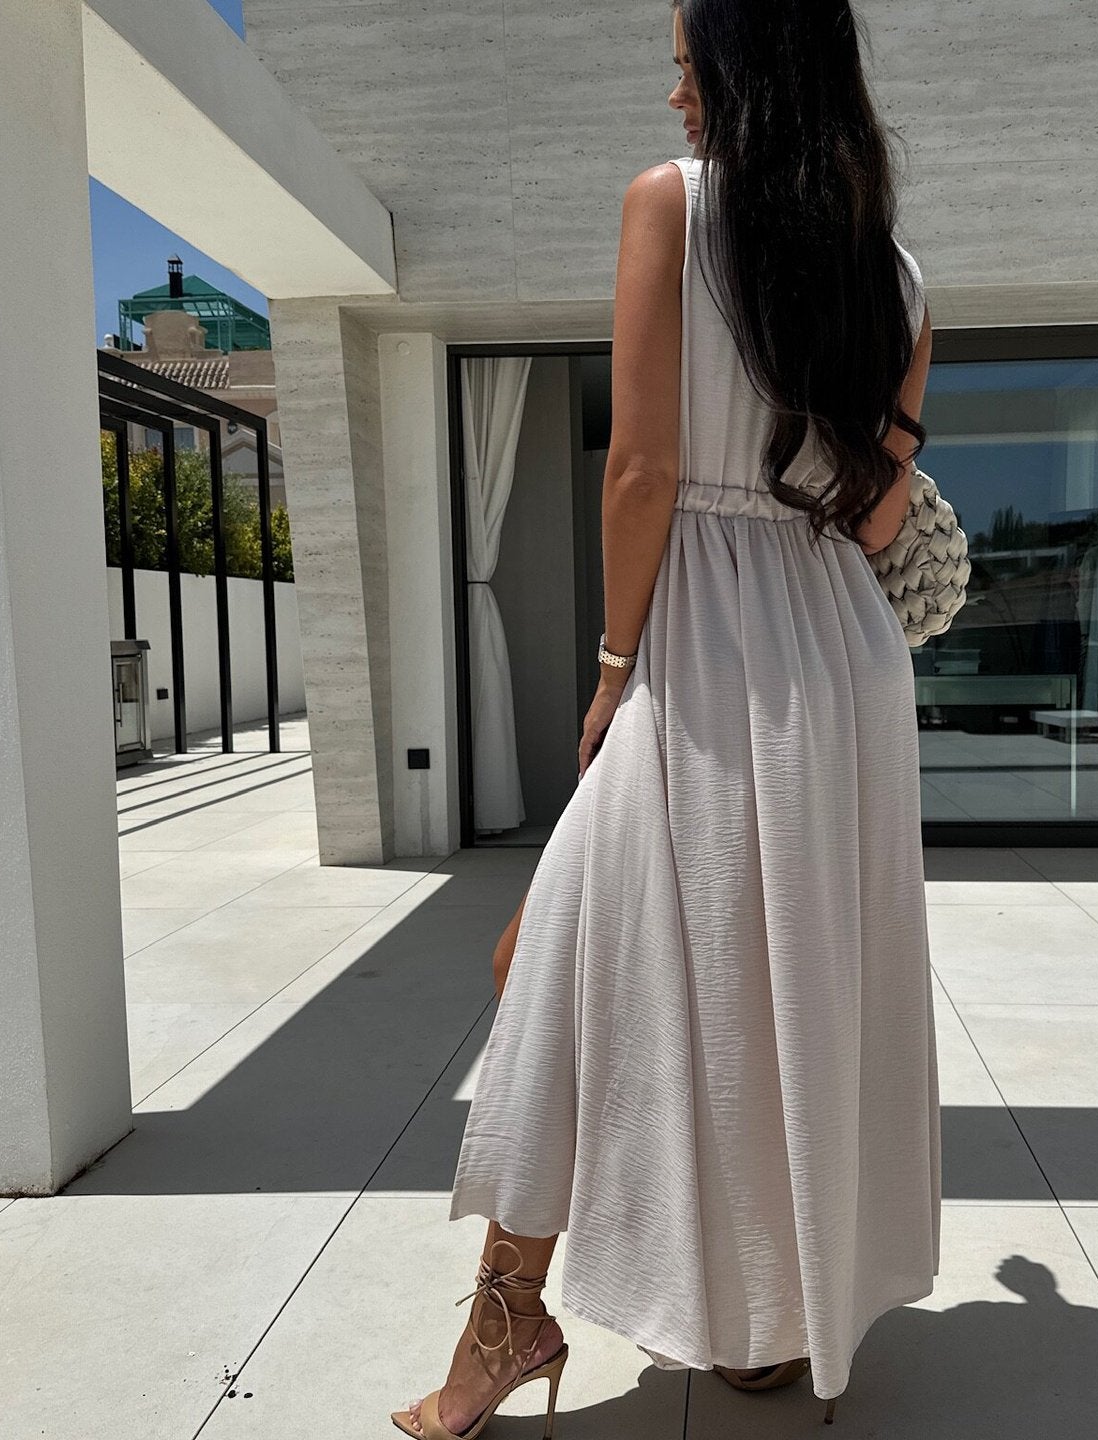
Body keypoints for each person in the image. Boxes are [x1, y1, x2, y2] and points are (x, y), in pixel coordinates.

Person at [391, 1, 940, 1435]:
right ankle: (736, 1317)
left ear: (747, 75)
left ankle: (536, 1329)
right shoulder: (896, 274)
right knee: (763, 980)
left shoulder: (669, 208)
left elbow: (638, 469)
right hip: (841, 660)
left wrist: (612, 662)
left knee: (572, 951)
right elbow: (878, 517)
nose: (676, 93)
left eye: (691, 66)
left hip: (704, 648)